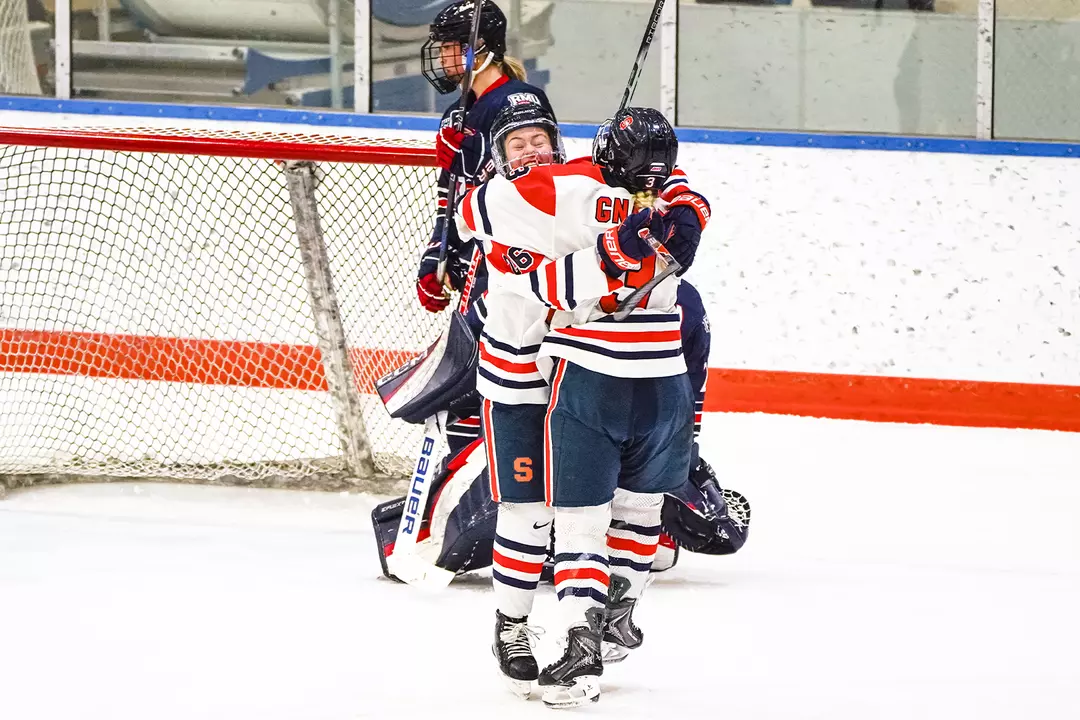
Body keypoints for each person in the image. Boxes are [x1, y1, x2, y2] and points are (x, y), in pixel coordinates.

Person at [453, 107, 713, 707]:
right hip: (521, 381)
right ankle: (512, 627)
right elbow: (522, 260)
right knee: (527, 512)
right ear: (500, 156)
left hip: (577, 372)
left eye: (539, 139)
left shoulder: (578, 188)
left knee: (604, 511)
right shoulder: (510, 201)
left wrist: (666, 202)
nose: (530, 151)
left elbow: (643, 199)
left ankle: (598, 625)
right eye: (516, 143)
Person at [414, 0, 557, 454]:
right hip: (477, 262)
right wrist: (439, 254)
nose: (443, 59)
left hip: (513, 265)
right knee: (468, 378)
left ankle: (496, 473)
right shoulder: (459, 113)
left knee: (484, 377)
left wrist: (472, 159)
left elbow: (536, 189)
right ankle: (464, 473)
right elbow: (451, 196)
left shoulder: (519, 102)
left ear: (480, 49)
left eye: (451, 48)